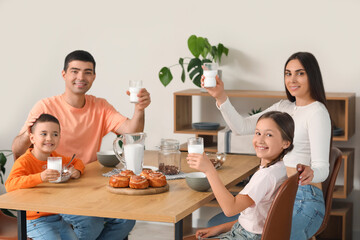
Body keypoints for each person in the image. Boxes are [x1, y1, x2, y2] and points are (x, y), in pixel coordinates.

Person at [11, 50, 151, 240]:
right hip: (56, 191)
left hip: (87, 184)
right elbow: (18, 151)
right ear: (64, 74)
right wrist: (30, 134)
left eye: (87, 72)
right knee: (89, 222)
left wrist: (139, 109)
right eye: (75, 71)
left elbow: (131, 132)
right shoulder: (44, 107)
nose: (81, 77)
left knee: (127, 219)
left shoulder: (100, 106)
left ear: (94, 76)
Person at [203, 52, 331, 240]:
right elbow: (242, 127)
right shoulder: (282, 107)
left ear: (312, 76)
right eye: (288, 73)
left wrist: (312, 172)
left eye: (300, 73)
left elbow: (323, 168)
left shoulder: (317, 112)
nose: (292, 79)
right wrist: (221, 97)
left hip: (305, 197)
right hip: (278, 193)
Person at [186, 111, 294, 239]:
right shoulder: (280, 169)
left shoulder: (265, 177)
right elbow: (255, 220)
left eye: (269, 135)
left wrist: (209, 170)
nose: (260, 140)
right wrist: (220, 228)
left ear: (285, 143)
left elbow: (230, 209)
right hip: (246, 231)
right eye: (258, 133)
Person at [5, 113, 85, 240]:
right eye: (43, 134)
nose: (50, 138)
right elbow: (10, 185)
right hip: (34, 220)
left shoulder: (54, 157)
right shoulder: (25, 161)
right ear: (32, 138)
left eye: (55, 134)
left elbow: (77, 161)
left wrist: (77, 171)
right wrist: (40, 177)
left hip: (56, 216)